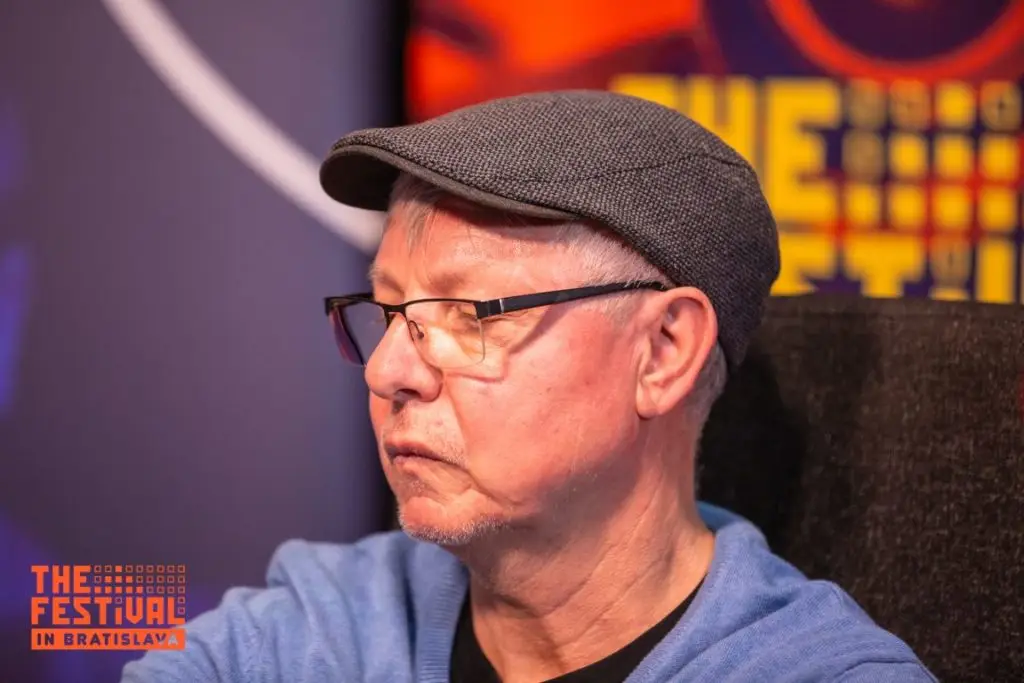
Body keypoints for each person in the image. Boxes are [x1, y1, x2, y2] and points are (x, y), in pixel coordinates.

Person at [121, 91, 935, 682]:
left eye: (468, 314)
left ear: (662, 351)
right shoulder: (319, 628)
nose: (386, 370)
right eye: (391, 310)